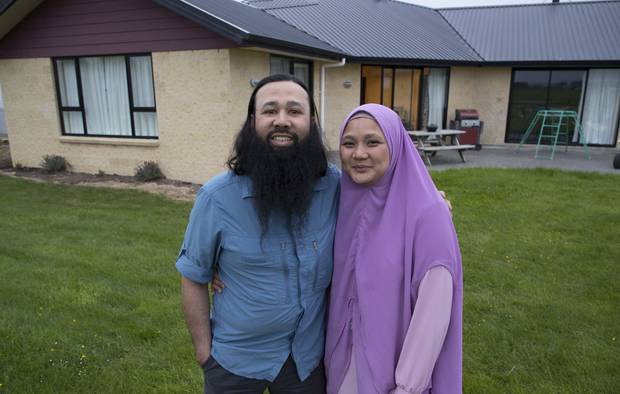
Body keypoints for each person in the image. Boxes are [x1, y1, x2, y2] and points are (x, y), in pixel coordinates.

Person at [176, 74, 339, 393]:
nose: (282, 121)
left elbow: (386, 198)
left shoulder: (335, 187)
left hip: (306, 361)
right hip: (235, 361)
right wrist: (204, 352)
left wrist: (431, 202)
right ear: (252, 122)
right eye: (269, 111)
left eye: (294, 111)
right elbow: (193, 275)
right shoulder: (216, 197)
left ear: (312, 121)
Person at [324, 104, 462, 394]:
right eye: (349, 144)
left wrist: (406, 387)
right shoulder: (343, 200)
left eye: (372, 141)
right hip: (343, 365)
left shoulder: (428, 214)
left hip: (393, 377)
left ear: (396, 145)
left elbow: (433, 314)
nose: (359, 153)